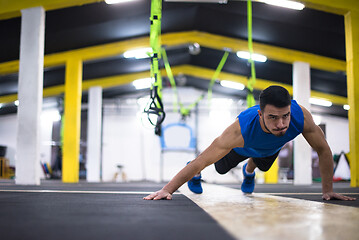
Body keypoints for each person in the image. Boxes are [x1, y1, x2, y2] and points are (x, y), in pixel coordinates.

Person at [144, 85, 356, 201]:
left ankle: (249, 171)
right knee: (217, 168)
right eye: (273, 117)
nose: (281, 124)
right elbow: (202, 160)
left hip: (267, 150)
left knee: (261, 162)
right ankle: (196, 177)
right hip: (241, 147)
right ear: (260, 113)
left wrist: (327, 190)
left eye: (285, 116)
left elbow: (323, 150)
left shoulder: (301, 117)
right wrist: (167, 189)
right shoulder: (239, 131)